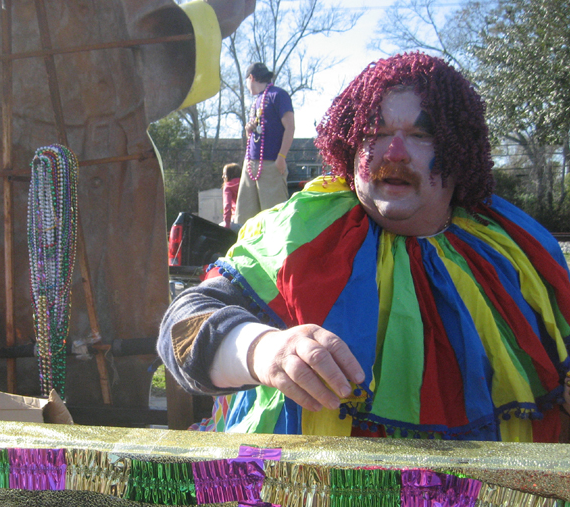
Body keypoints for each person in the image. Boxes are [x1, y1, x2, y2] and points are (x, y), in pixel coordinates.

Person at [158, 52, 570, 443]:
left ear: (458, 150)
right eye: (376, 133)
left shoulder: (512, 244)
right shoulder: (303, 226)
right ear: (350, 145)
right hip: (314, 503)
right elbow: (182, 329)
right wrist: (262, 349)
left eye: (420, 135)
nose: (394, 153)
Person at [234, 62, 295, 225]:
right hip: (250, 165)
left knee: (275, 219)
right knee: (245, 220)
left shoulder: (278, 95)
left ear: (251, 78)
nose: (246, 86)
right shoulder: (256, 101)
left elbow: (290, 127)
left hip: (271, 165)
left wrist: (281, 157)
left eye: (246, 81)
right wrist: (249, 129)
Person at [221, 162, 242, 229]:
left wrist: (227, 224)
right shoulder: (245, 184)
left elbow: (227, 206)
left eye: (224, 174)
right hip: (252, 220)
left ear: (229, 175)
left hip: (236, 220)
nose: (223, 176)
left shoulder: (228, 186)